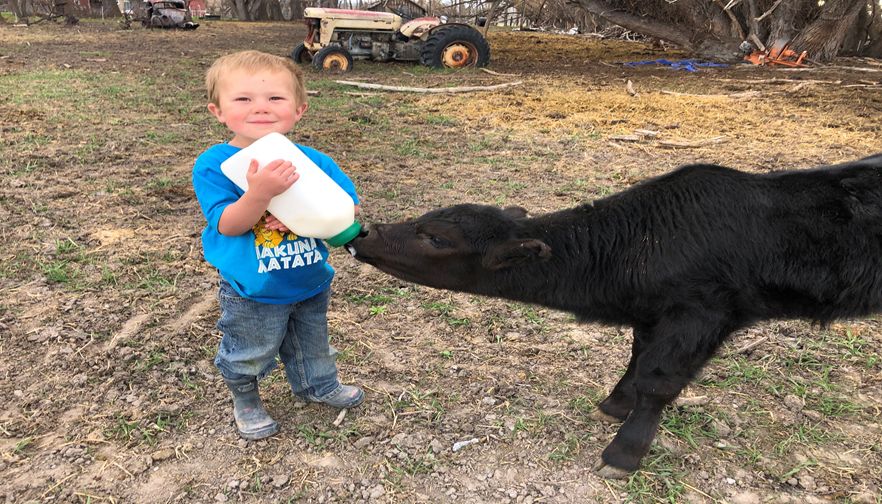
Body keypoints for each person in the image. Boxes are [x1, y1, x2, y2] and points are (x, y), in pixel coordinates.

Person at [192, 50, 363, 441]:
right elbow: (228, 224)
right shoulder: (215, 164)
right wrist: (260, 194)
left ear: (299, 109)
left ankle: (317, 384)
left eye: (275, 98)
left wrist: (303, 217)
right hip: (253, 288)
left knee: (313, 342)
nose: (261, 108)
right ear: (218, 111)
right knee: (250, 349)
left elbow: (348, 206)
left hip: (310, 278)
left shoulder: (314, 161)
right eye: (243, 99)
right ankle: (246, 396)